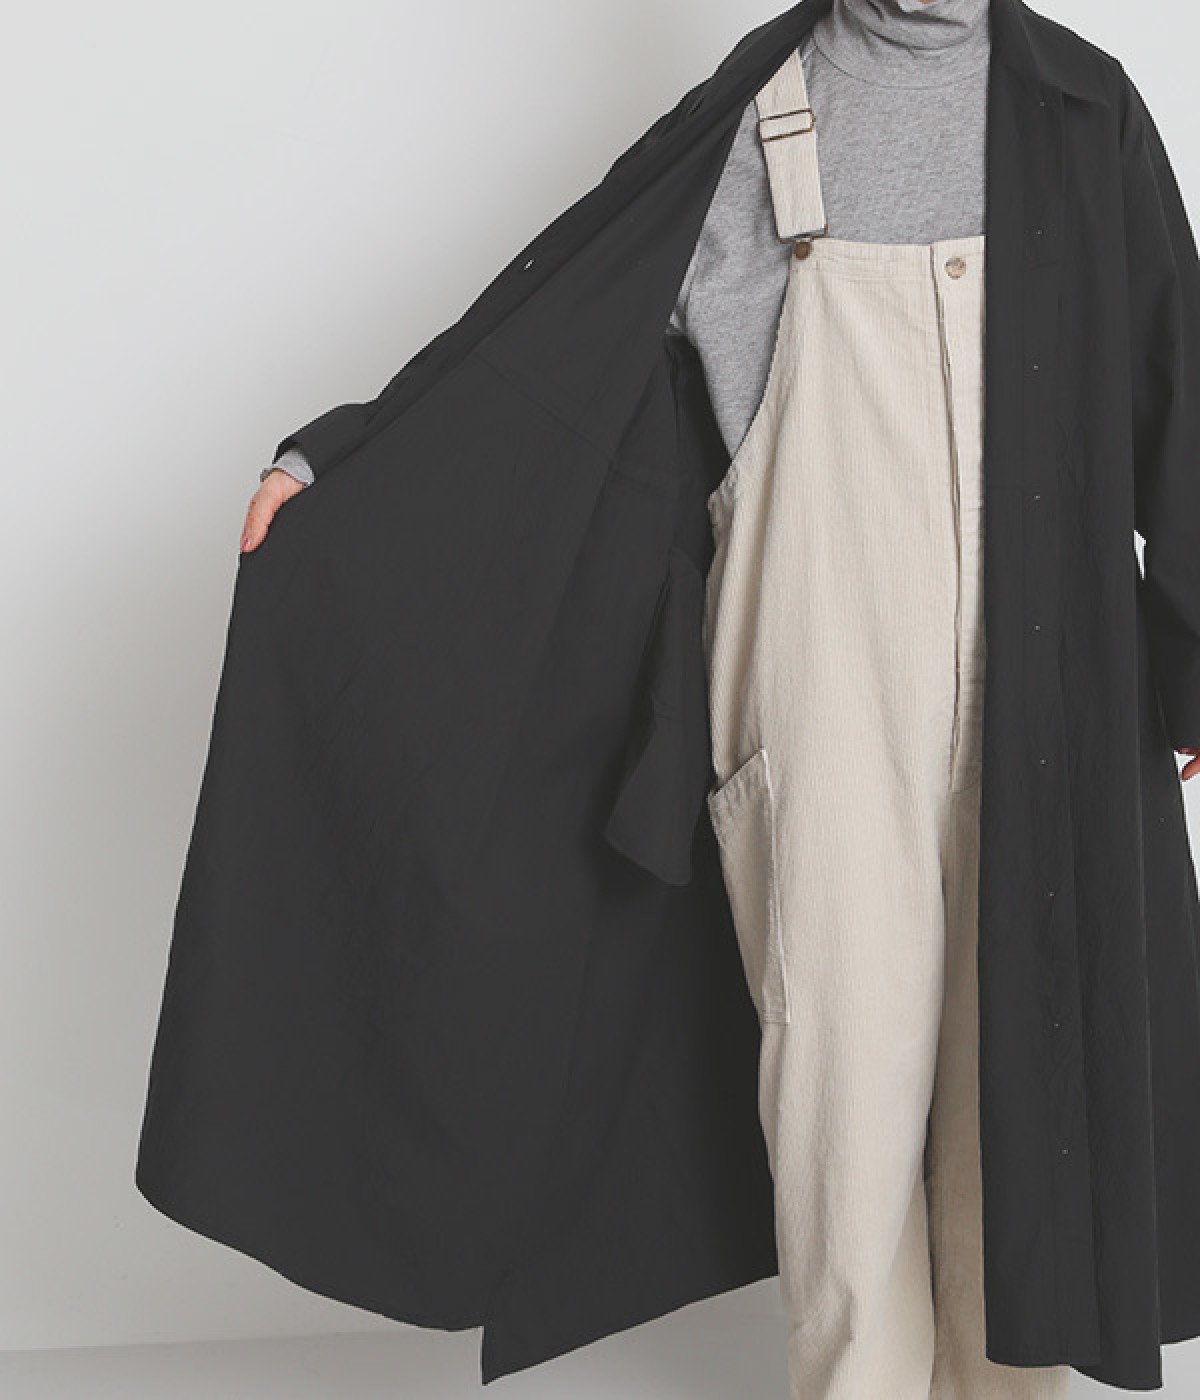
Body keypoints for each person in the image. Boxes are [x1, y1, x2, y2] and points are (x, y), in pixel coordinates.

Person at [156, 2, 1200, 1396]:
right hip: (819, 693)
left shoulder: (1085, 109)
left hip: (1056, 695)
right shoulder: (756, 115)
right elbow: (538, 349)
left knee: (1024, 1109)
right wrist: (340, 461)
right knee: (843, 1113)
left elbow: (1181, 390)